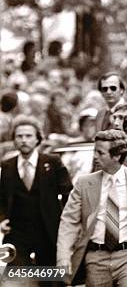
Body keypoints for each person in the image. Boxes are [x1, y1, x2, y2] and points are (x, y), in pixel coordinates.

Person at [56, 130, 127, 286]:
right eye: (95, 151)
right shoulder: (84, 183)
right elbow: (69, 221)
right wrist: (63, 257)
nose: (95, 156)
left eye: (100, 153)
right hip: (95, 258)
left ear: (116, 156)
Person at [0, 116, 72, 272]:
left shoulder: (53, 162)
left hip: (48, 231)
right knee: (15, 278)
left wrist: (67, 224)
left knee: (49, 279)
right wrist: (2, 219)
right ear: (13, 139)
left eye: (28, 136)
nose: (24, 140)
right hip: (17, 233)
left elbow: (68, 194)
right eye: (19, 136)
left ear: (38, 139)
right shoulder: (6, 166)